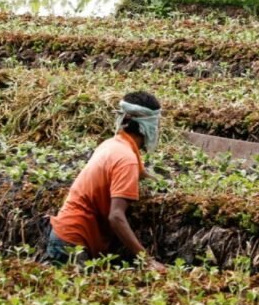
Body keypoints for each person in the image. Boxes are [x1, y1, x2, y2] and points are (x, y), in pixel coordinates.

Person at [44, 91, 167, 271]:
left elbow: (135, 170)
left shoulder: (112, 144)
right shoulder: (127, 159)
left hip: (65, 236)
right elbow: (116, 216)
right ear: (147, 126)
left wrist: (159, 182)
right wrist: (147, 261)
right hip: (73, 243)